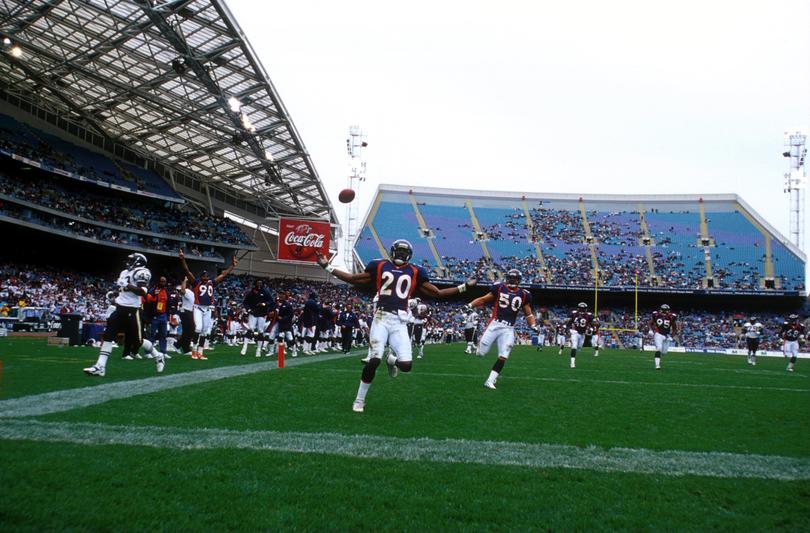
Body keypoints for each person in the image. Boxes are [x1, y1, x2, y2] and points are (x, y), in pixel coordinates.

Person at [316, 239, 475, 413]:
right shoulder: (379, 265)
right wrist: (327, 267)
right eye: (398, 251)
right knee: (374, 359)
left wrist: (464, 287)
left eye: (403, 252)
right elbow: (354, 278)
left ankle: (392, 360)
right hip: (381, 318)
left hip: (400, 321)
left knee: (406, 365)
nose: (400, 255)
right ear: (391, 252)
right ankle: (359, 400)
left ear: (409, 255)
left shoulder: (415, 271)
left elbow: (437, 293)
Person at [83, 253, 165, 376]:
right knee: (108, 336)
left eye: (131, 260)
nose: (128, 262)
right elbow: (124, 290)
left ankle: (158, 355)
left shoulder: (142, 272)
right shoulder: (124, 272)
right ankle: (100, 366)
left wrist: (126, 284)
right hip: (119, 308)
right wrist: (115, 293)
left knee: (138, 341)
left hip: (132, 310)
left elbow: (142, 292)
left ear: (138, 262)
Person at [467, 269, 536, 389]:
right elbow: (483, 299)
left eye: (514, 278)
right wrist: (470, 305)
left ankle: (490, 380)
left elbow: (528, 314)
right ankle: (477, 348)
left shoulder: (524, 294)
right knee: (481, 353)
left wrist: (533, 325)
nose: (512, 280)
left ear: (519, 280)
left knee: (504, 355)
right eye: (510, 278)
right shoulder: (499, 288)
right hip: (495, 325)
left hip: (508, 328)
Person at [179, 249, 237, 360]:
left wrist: (232, 266)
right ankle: (194, 350)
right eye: (204, 275)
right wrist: (183, 260)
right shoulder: (196, 283)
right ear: (201, 277)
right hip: (198, 308)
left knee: (205, 332)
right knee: (198, 328)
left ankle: (200, 352)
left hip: (207, 309)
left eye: (207, 275)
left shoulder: (212, 283)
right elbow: (187, 271)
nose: (206, 277)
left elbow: (223, 274)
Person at [240, 278, 272, 357]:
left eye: (260, 283)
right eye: (258, 283)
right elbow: (245, 302)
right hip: (253, 313)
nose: (259, 284)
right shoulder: (251, 292)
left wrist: (264, 304)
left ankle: (258, 350)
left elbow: (271, 301)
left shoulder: (265, 291)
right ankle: (244, 347)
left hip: (262, 313)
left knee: (260, 331)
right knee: (250, 329)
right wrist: (249, 309)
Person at [146, 276, 170, 356]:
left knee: (163, 335)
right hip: (155, 316)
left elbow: (168, 303)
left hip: (163, 315)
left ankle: (163, 352)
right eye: (162, 281)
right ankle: (148, 352)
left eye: (164, 281)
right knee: (152, 335)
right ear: (158, 282)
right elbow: (148, 302)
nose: (163, 283)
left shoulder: (166, 291)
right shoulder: (153, 290)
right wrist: (150, 315)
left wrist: (168, 314)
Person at [650, 303, 677, 370]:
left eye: (666, 310)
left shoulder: (671, 317)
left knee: (664, 352)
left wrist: (672, 336)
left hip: (666, 336)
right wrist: (650, 330)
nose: (665, 312)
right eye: (664, 310)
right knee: (659, 348)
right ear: (661, 310)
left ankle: (659, 355)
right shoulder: (656, 315)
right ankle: (657, 365)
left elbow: (674, 328)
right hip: (658, 334)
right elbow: (650, 323)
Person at [567, 302, 593, 368]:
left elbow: (591, 323)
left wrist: (591, 328)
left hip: (582, 334)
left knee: (579, 347)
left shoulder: (588, 316)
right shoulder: (574, 314)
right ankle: (572, 363)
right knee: (574, 347)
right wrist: (568, 329)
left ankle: (573, 351)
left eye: (583, 309)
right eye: (581, 309)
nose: (582, 311)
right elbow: (569, 322)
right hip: (575, 332)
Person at [276, 292, 298, 358]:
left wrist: (283, 318)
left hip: (287, 324)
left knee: (290, 338)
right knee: (280, 337)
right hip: (280, 324)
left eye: (282, 296)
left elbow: (290, 314)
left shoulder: (287, 305)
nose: (280, 297)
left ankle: (294, 350)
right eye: (280, 296)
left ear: (284, 297)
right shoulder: (277, 304)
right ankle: (281, 352)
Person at [177, 277, 195, 355]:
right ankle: (183, 346)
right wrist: (184, 281)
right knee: (190, 330)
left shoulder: (192, 293)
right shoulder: (187, 291)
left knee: (188, 330)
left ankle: (182, 346)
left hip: (189, 312)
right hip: (186, 311)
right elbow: (182, 291)